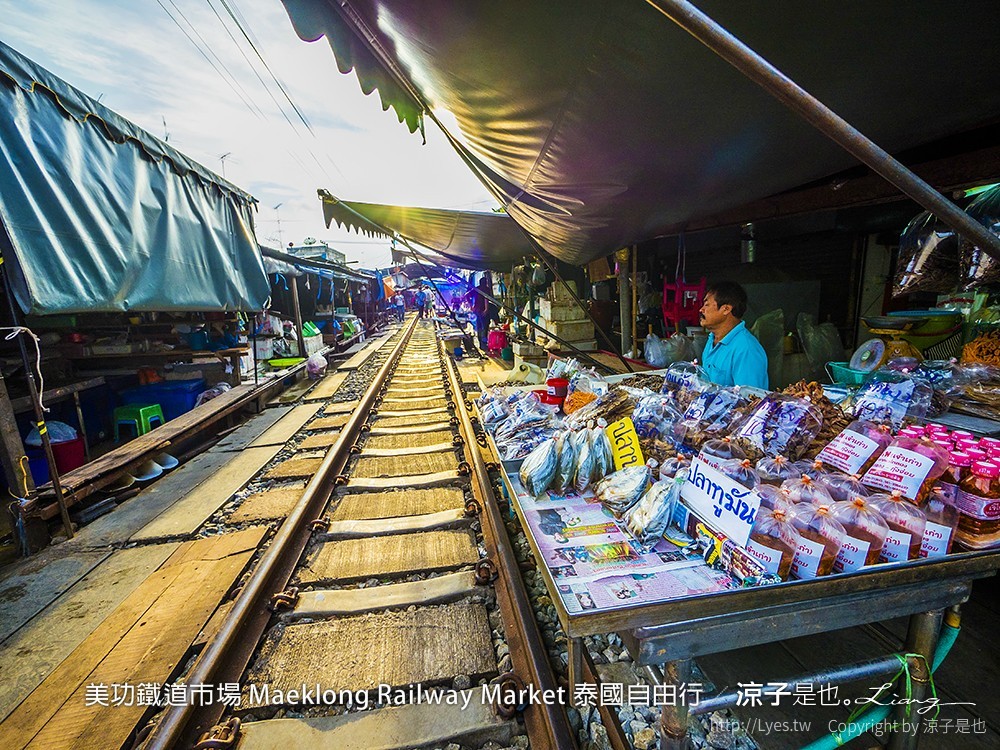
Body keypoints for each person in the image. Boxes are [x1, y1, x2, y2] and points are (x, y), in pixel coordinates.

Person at [698, 280, 769, 389]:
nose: (701, 310)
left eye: (707, 305)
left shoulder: (746, 349)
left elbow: (751, 400)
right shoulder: (712, 339)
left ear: (726, 309)